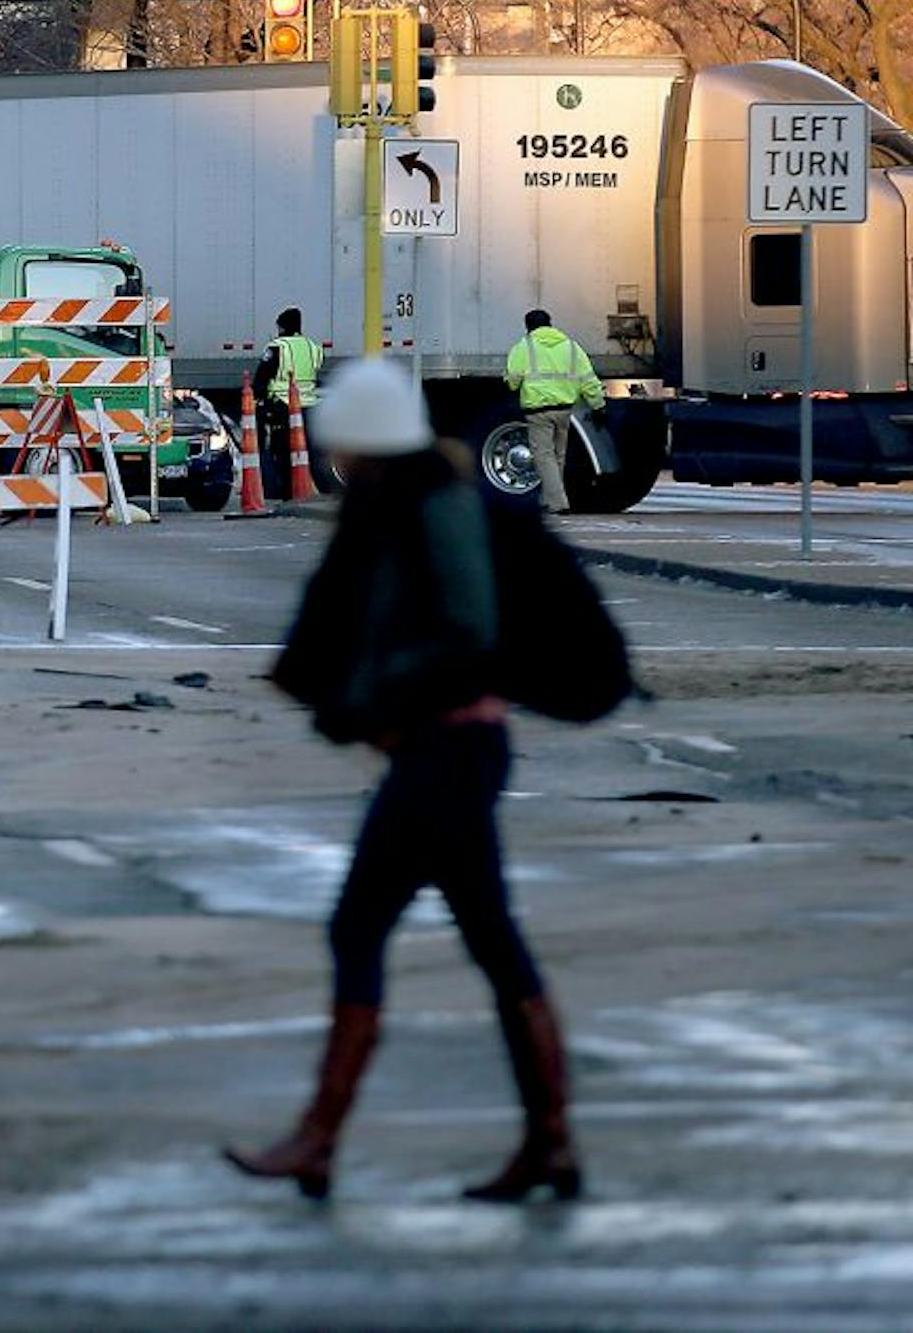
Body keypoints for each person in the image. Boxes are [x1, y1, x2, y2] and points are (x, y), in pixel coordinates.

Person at [223, 357, 581, 1204]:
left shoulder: (437, 504)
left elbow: (467, 628)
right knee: (490, 940)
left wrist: (370, 696)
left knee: (364, 927)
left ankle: (318, 1140)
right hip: (438, 750)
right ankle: (551, 1143)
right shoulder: (390, 504)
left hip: (447, 751)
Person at [503, 308, 604, 514]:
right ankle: (549, 499)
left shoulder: (524, 347)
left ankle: (558, 502)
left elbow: (513, 381)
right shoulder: (572, 347)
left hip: (538, 411)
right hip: (565, 410)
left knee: (543, 456)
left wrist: (508, 380)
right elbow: (588, 380)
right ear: (550, 324)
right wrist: (598, 405)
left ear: (528, 326)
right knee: (558, 456)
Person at [250, 307, 323, 499]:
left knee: (282, 450)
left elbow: (262, 377)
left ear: (281, 327)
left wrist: (258, 397)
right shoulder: (311, 346)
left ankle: (285, 491)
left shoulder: (278, 347)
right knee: (308, 450)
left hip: (283, 405)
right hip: (309, 405)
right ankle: (311, 488)